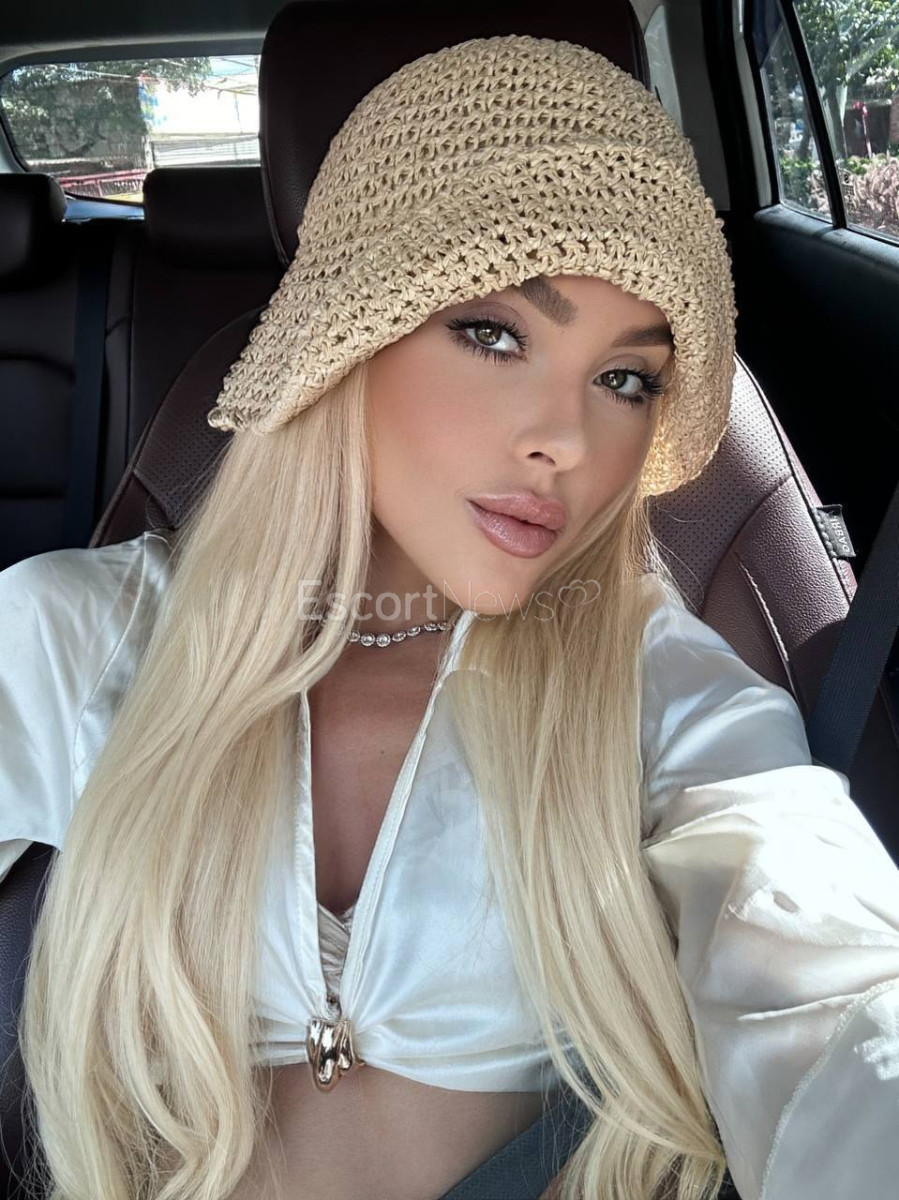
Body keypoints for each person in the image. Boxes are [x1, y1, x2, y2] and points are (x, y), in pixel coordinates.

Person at [1, 33, 897, 1200]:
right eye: (492, 333)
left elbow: (832, 997)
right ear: (346, 335)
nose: (565, 439)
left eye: (624, 379)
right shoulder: (77, 636)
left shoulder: (659, 691)